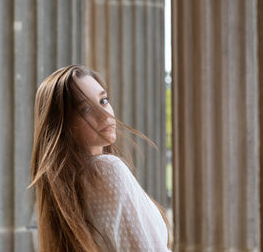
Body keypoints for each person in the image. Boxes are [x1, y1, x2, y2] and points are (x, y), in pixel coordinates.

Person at [28, 65, 172, 252]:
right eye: (86, 108)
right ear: (63, 125)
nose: (104, 115)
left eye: (103, 100)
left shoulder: (63, 188)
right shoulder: (106, 170)